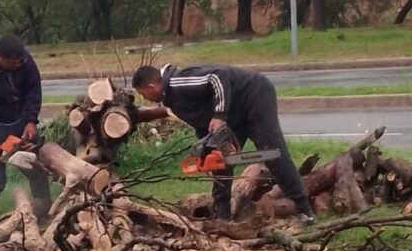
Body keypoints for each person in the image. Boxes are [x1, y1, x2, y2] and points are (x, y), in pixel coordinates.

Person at [132, 63, 314, 222]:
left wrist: (219, 116)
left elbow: (218, 76)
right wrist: (205, 150)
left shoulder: (179, 81)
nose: (145, 99)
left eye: (143, 94)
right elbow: (202, 124)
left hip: (253, 95)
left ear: (151, 86)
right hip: (232, 112)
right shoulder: (172, 102)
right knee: (220, 161)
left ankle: (303, 208)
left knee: (273, 152)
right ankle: (222, 214)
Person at [0, 34, 52, 226]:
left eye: (18, 61)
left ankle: (44, 209)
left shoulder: (25, 60)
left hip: (19, 118)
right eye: (11, 63)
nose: (16, 65)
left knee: (35, 164)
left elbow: (33, 90)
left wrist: (31, 120)